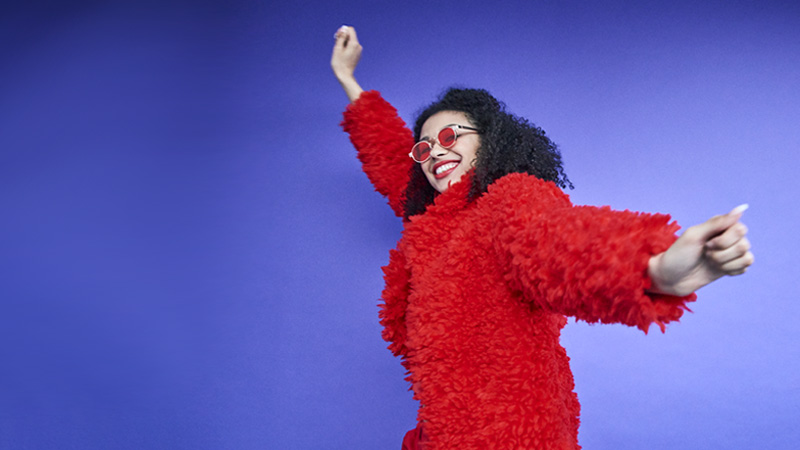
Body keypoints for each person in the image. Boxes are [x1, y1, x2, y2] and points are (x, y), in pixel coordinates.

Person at [330, 25, 753, 450]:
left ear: (490, 143)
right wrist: (349, 80)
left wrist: (655, 270)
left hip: (511, 436)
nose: (435, 153)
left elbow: (556, 243)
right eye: (423, 148)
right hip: (439, 434)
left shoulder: (507, 201)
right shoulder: (433, 223)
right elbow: (390, 162)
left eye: (448, 137)